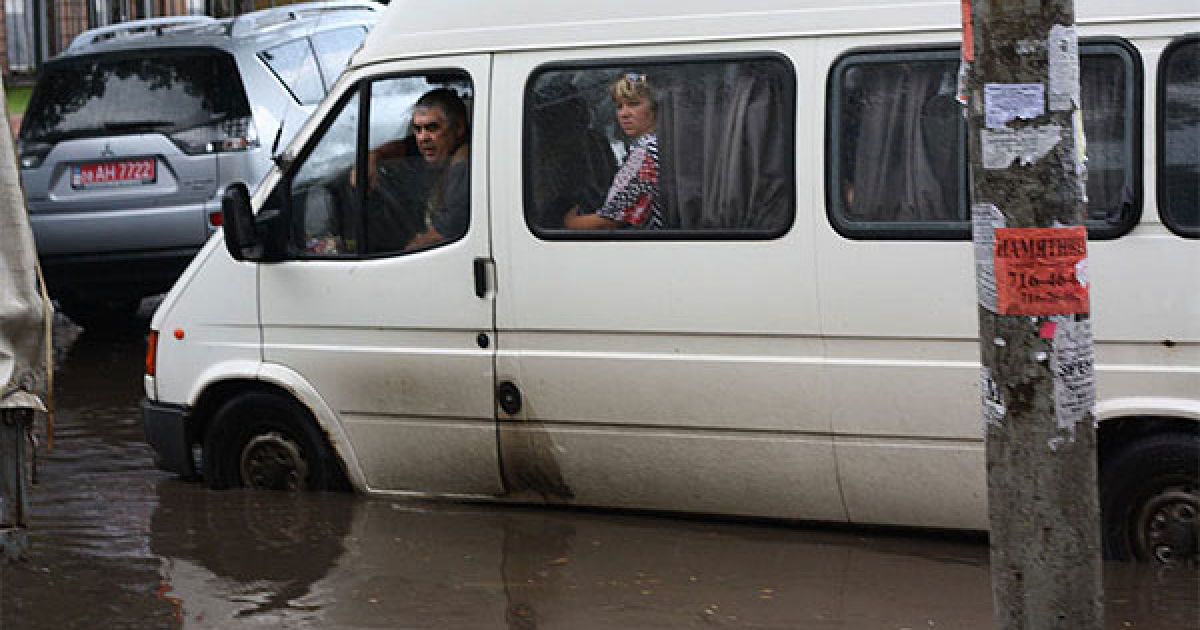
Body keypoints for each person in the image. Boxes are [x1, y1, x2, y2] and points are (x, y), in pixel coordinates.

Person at [366, 88, 471, 250]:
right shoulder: (442, 147)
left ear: (458, 129)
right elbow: (404, 147)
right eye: (417, 129)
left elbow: (441, 234)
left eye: (432, 128)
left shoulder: (463, 167)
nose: (423, 138)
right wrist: (374, 156)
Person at [563, 73, 664, 230]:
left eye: (634, 104)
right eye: (619, 106)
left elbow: (609, 220)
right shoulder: (660, 143)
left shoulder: (645, 154)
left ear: (654, 109)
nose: (624, 113)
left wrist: (568, 223)